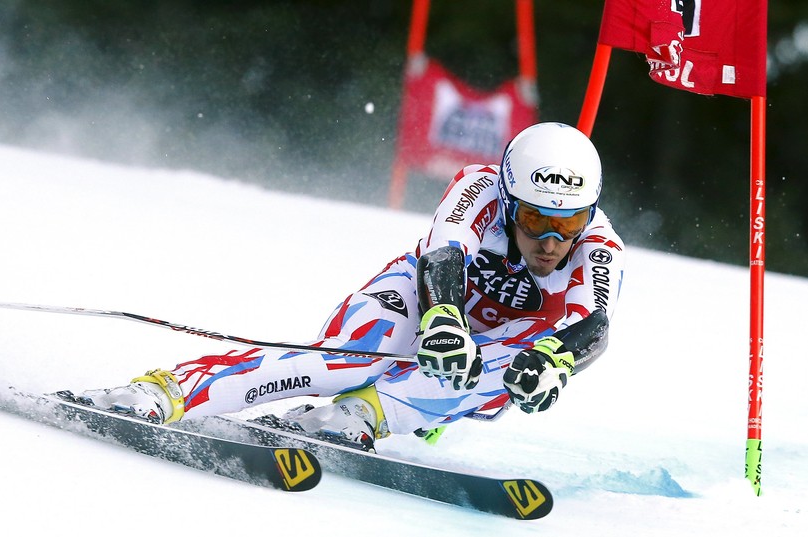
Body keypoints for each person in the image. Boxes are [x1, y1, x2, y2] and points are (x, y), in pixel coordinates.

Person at [70, 122, 626, 451]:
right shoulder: (477, 190)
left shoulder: (600, 248)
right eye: (534, 221)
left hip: (495, 343)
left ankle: (358, 415)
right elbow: (441, 255)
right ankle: (167, 391)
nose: (552, 242)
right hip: (426, 298)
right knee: (349, 360)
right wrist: (443, 322)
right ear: (508, 200)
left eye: (570, 224)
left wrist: (557, 361)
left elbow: (594, 326)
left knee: (518, 367)